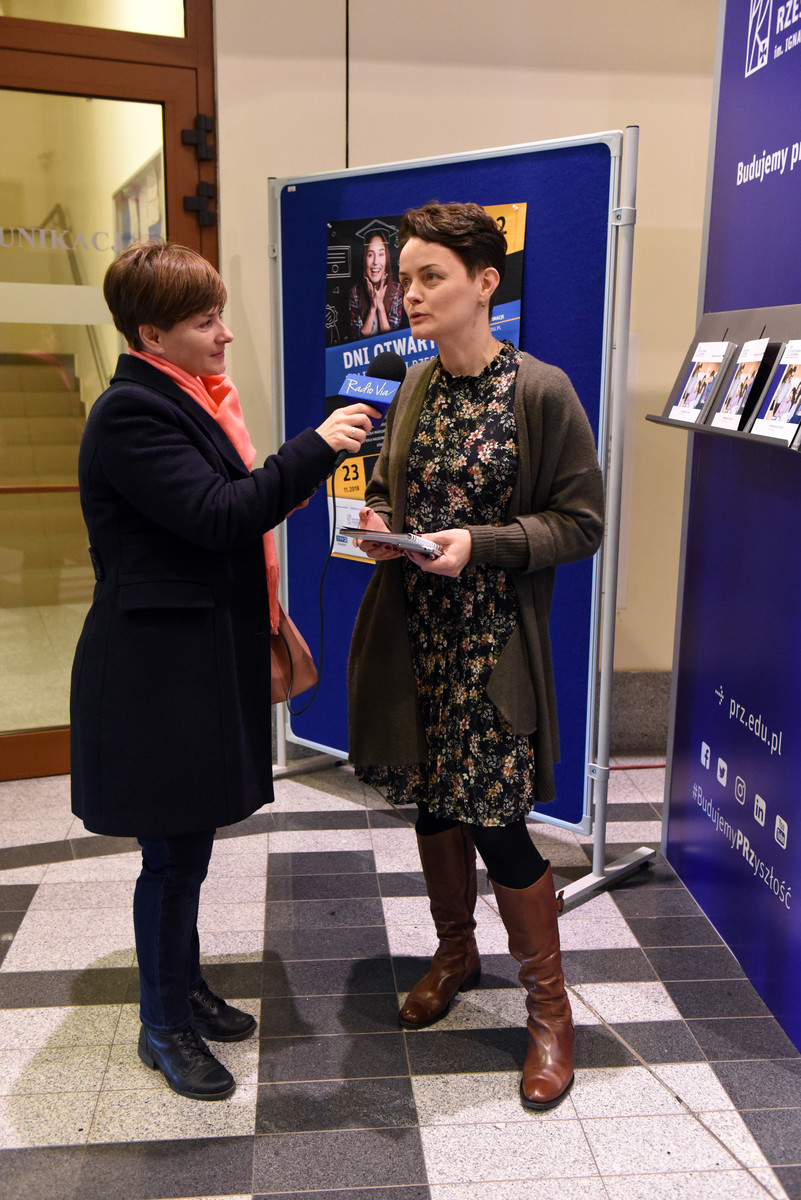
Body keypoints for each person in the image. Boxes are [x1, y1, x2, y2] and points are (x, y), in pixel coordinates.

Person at [70, 240, 378, 1102]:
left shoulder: (183, 398)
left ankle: (184, 988)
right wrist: (313, 448)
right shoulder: (131, 413)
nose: (225, 334)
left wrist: (299, 462)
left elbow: (226, 510)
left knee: (189, 846)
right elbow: (217, 515)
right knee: (171, 857)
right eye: (206, 321)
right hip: (154, 674)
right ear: (152, 333)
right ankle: (161, 1024)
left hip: (188, 660)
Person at [348, 202, 604, 1111]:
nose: (411, 294)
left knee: (497, 823)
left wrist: (479, 544)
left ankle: (549, 1011)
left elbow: (580, 523)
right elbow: (391, 485)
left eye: (431, 278)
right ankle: (454, 954)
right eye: (405, 278)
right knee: (432, 804)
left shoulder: (539, 390)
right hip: (415, 637)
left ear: (485, 284)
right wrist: (382, 522)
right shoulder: (416, 384)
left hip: (493, 649)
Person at [349, 230, 404, 339]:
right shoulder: (355, 292)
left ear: (386, 258)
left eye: (381, 254)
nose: (375, 262)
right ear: (364, 259)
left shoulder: (397, 290)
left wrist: (380, 306)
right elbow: (358, 339)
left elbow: (392, 338)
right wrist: (373, 307)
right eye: (370, 255)